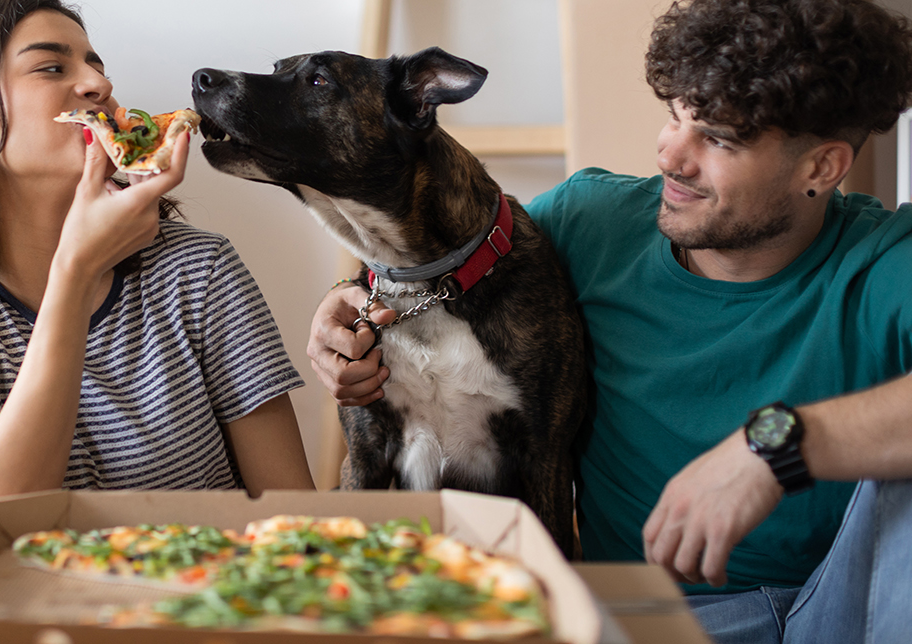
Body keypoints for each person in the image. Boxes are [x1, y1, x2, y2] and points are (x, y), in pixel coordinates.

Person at [306, 0, 912, 642]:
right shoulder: (587, 221)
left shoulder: (883, 261)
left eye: (718, 139)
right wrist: (348, 299)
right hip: (638, 617)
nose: (671, 156)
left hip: (842, 609)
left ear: (821, 167)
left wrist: (772, 445)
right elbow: (439, 264)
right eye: (676, 115)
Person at [0, 0, 315, 521]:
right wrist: (76, 272)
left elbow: (292, 510)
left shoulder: (197, 269)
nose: (97, 84)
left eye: (97, 66)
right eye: (52, 66)